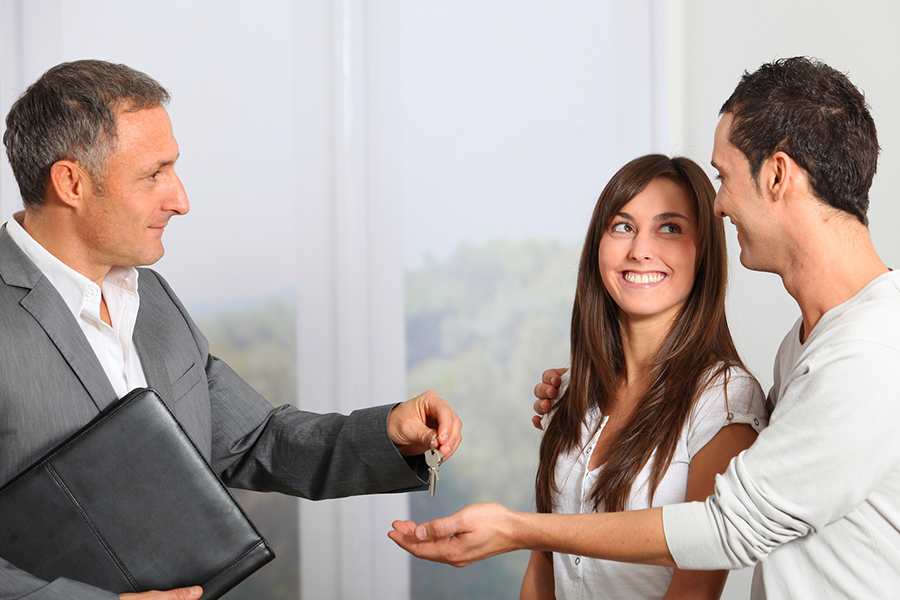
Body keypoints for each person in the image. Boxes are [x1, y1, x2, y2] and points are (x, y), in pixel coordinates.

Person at [389, 57, 900, 599]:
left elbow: (726, 529)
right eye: (623, 226)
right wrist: (618, 388)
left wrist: (515, 528)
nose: (720, 204)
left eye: (724, 176)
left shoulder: (869, 352)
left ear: (776, 175)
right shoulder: (810, 342)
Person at [0, 60, 462, 600]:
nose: (181, 199)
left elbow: (254, 441)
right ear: (71, 182)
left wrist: (389, 433)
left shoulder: (153, 300)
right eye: (154, 174)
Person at [518, 154, 767, 600]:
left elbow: (695, 588)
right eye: (622, 227)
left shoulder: (726, 399)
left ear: (704, 252)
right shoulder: (571, 391)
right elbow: (544, 557)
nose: (640, 250)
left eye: (670, 228)